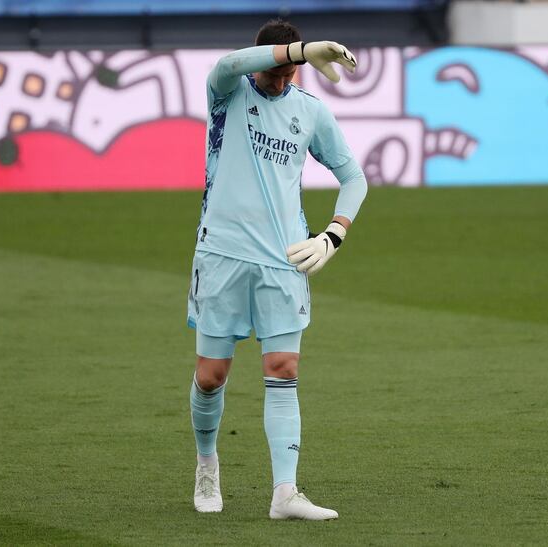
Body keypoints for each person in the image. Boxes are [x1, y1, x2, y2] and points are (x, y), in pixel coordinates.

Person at [186, 19, 368, 520]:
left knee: (284, 370)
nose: (284, 81)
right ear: (268, 58)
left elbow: (354, 178)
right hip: (221, 255)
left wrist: (333, 234)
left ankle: (284, 494)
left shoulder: (309, 111)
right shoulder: (227, 92)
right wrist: (302, 49)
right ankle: (207, 463)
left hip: (284, 261)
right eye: (279, 70)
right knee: (210, 375)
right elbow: (229, 63)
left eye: (294, 74)